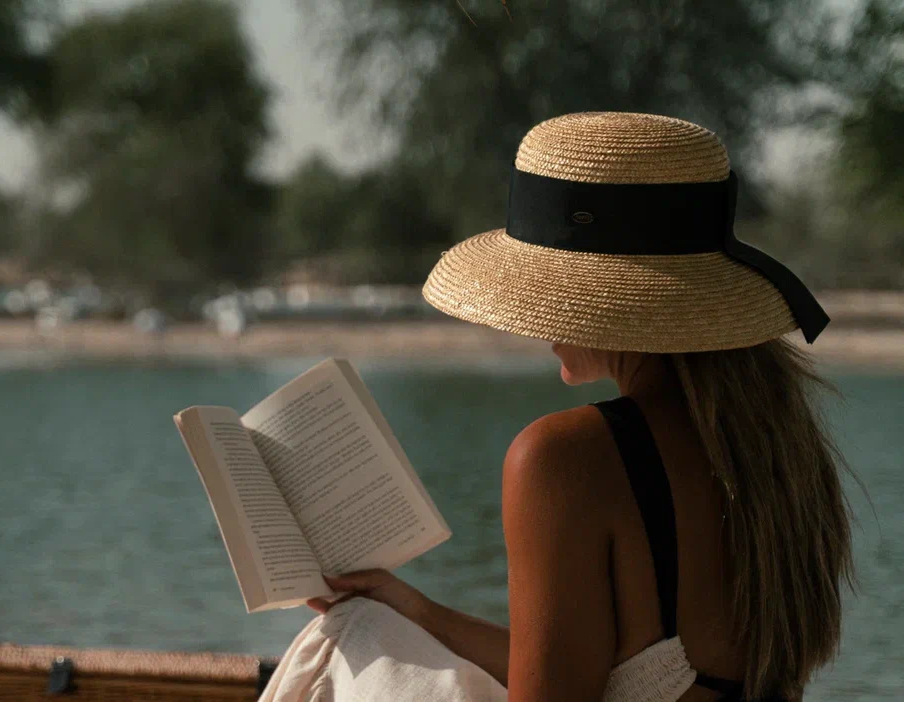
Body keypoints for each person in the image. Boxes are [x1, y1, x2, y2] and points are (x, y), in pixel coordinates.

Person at [259, 112, 854, 702]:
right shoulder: (786, 458)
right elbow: (593, 674)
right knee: (380, 619)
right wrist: (418, 609)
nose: (539, 320)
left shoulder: (565, 460)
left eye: (552, 289)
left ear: (607, 299)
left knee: (347, 635)